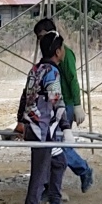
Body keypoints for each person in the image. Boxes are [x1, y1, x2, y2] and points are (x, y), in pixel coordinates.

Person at [15, 30, 72, 204]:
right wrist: (66, 127)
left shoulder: (35, 69)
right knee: (40, 173)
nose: (64, 51)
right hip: (42, 129)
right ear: (57, 51)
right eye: (63, 48)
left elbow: (25, 95)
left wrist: (21, 120)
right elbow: (56, 100)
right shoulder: (51, 72)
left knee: (59, 162)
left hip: (35, 125)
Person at [34, 17, 95, 193]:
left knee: (58, 146)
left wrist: (76, 104)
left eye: (41, 36)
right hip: (49, 106)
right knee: (50, 146)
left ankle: (82, 170)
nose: (39, 41)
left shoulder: (64, 55)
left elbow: (73, 80)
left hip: (64, 104)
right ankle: (50, 188)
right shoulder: (46, 61)